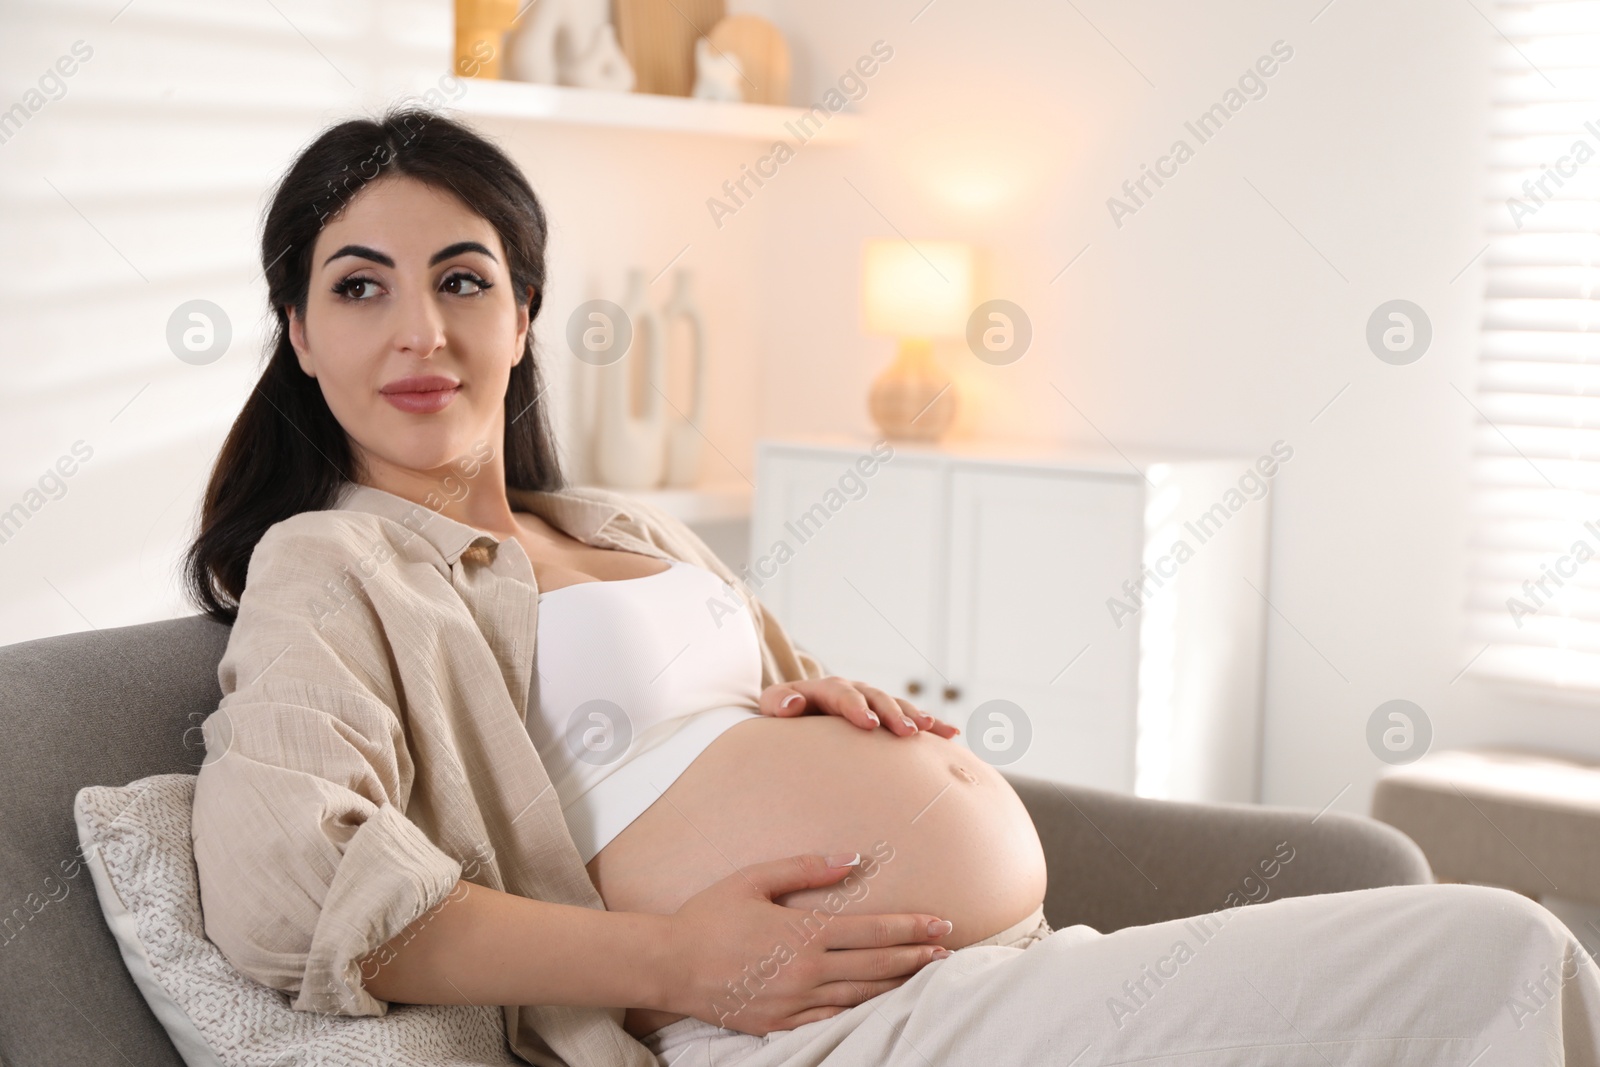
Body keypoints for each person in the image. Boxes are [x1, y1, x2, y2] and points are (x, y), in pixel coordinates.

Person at [188, 107, 1600, 1067]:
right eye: (360, 287)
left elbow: (725, 736)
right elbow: (280, 882)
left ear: (528, 314)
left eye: (463, 277)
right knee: (1494, 952)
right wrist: (673, 962)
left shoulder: (619, 523)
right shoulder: (334, 564)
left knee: (1485, 970)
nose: (420, 328)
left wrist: (804, 700)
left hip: (987, 975)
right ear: (300, 335)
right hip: (804, 1034)